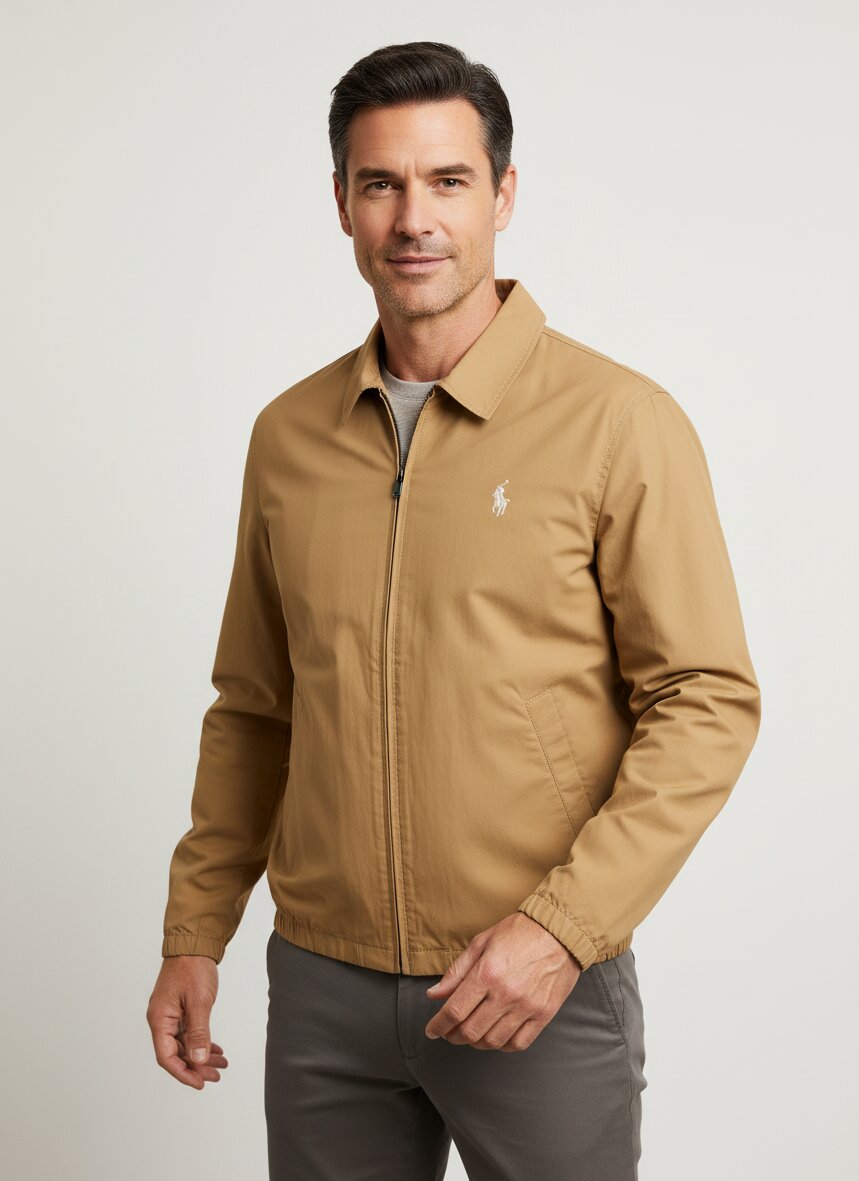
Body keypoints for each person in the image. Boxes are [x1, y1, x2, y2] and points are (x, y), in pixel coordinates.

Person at [146, 41, 761, 1180]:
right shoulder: (288, 437)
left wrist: (563, 929)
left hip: (532, 983)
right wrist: (197, 930)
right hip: (322, 989)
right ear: (342, 203)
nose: (413, 218)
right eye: (381, 183)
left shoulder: (618, 422)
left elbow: (706, 700)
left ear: (503, 195)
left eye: (448, 180)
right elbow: (255, 709)